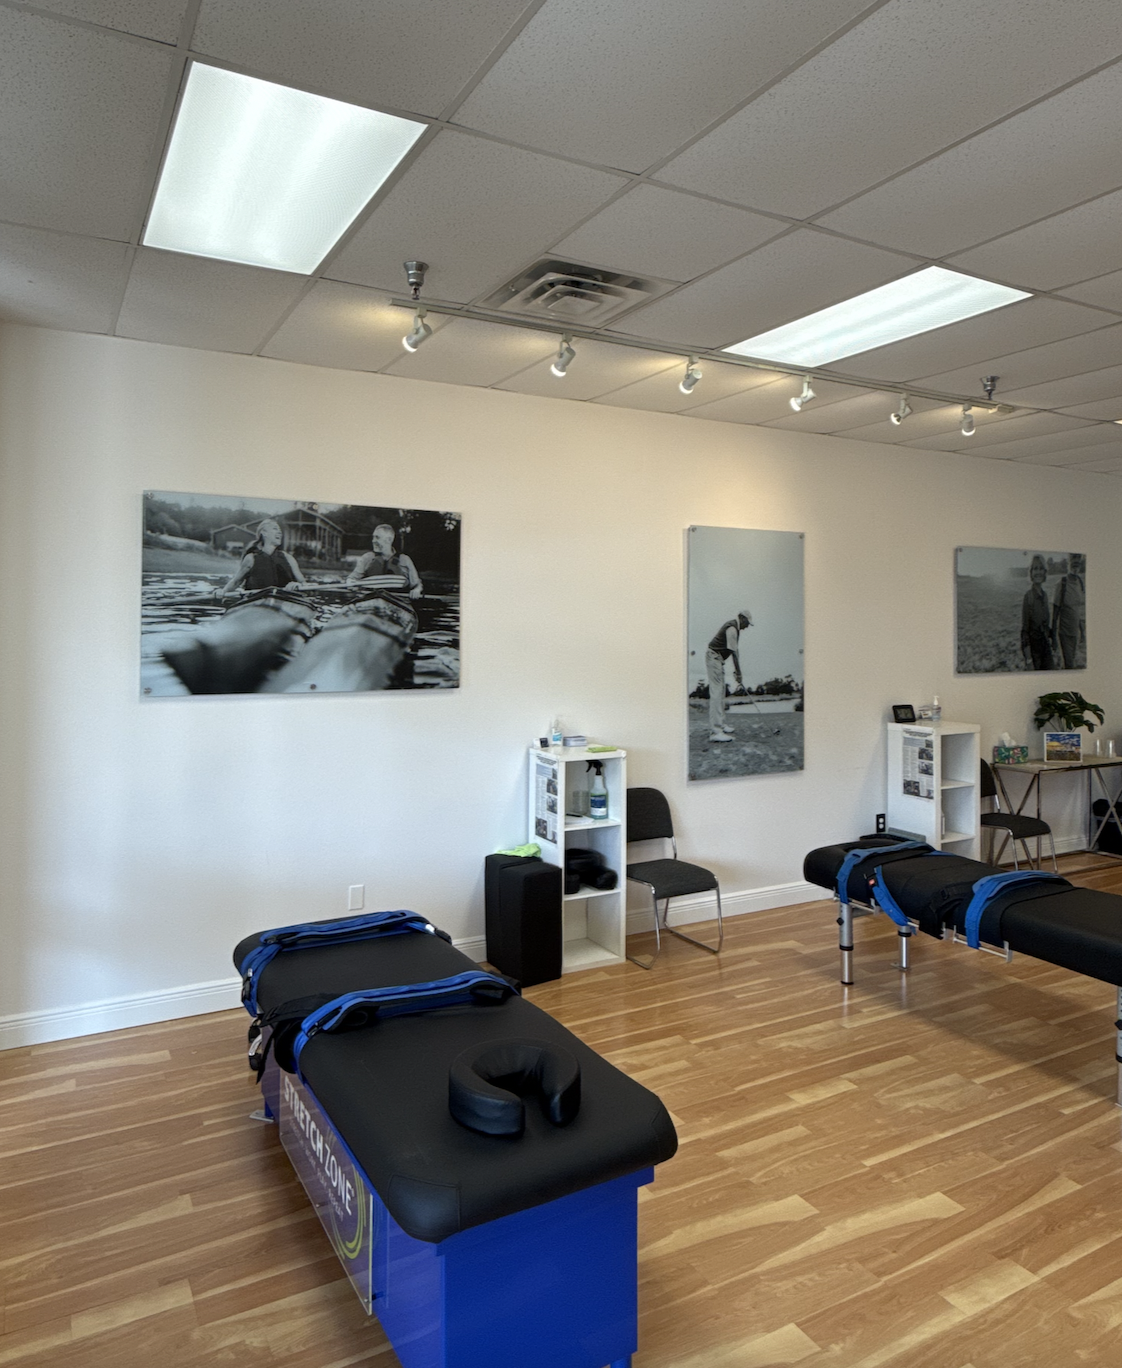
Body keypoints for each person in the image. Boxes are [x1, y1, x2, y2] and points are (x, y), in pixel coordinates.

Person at [219, 519, 305, 598]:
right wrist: (223, 591)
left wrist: (297, 585)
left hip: (285, 600)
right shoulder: (251, 558)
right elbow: (236, 582)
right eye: (275, 529)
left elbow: (303, 583)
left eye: (280, 530)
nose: (280, 532)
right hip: (256, 600)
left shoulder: (288, 558)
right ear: (264, 532)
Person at [706, 611, 751, 742]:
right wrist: (739, 673)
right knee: (716, 692)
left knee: (721, 692)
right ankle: (715, 732)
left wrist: (737, 672)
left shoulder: (735, 629)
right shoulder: (732, 628)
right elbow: (734, 654)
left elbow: (735, 652)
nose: (747, 626)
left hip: (718, 659)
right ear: (741, 618)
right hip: (714, 658)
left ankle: (720, 724)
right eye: (747, 623)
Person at [346, 523, 423, 598]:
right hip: (371, 601)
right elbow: (352, 578)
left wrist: (417, 590)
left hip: (397, 602)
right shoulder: (367, 558)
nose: (373, 541)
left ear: (389, 540)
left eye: (377, 537)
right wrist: (350, 582)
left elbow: (417, 584)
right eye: (373, 537)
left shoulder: (405, 560)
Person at [1051, 552, 1086, 669]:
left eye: (1078, 558)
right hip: (1064, 634)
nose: (1076, 561)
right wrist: (1054, 638)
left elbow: (1077, 609)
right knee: (1069, 665)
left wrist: (1082, 632)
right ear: (1068, 561)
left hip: (1075, 633)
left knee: (1070, 664)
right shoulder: (1061, 584)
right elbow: (1055, 615)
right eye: (1073, 558)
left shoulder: (1080, 582)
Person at [1020, 554, 1053, 670]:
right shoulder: (1028, 597)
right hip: (1034, 652)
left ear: (1045, 572)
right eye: (1035, 569)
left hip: (1046, 648)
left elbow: (1046, 624)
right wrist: (1029, 659)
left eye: (1041, 568)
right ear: (1031, 573)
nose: (1038, 572)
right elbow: (1025, 631)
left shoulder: (1045, 596)